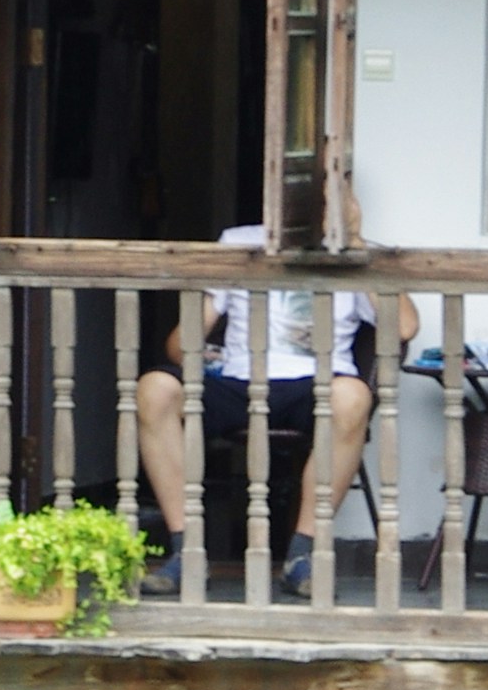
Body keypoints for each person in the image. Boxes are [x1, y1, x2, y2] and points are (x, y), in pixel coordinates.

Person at [132, 223, 406, 599]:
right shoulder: (238, 241)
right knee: (154, 390)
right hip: (239, 381)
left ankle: (302, 556)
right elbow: (179, 346)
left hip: (318, 384)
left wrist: (356, 242)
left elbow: (405, 327)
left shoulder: (359, 252)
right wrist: (203, 342)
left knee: (353, 396)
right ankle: (187, 551)